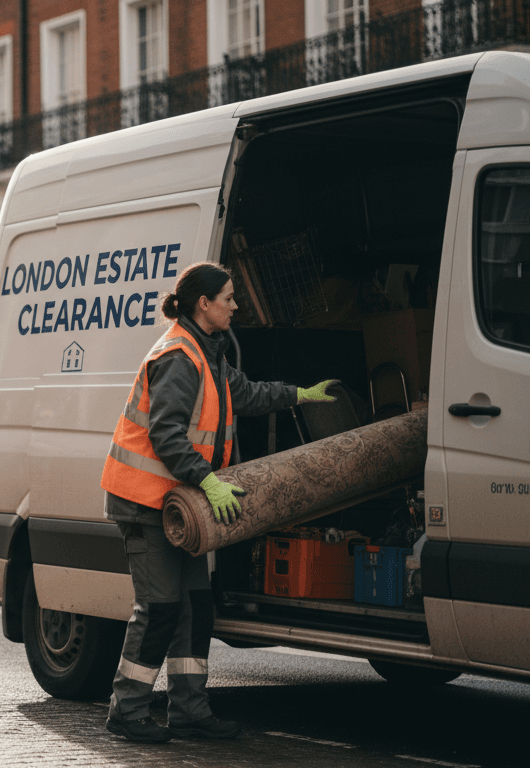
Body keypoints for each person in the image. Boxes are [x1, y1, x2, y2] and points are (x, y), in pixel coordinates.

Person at [99, 261, 339, 743]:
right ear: (203, 304)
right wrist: (208, 482)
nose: (235, 305)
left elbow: (244, 394)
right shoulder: (178, 357)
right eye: (228, 298)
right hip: (145, 503)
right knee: (159, 610)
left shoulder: (207, 353)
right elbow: (167, 435)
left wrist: (300, 395)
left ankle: (189, 710)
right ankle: (127, 710)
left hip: (177, 504)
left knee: (195, 607)